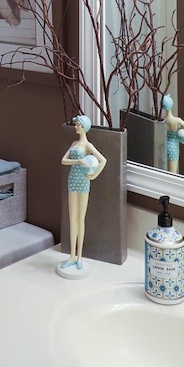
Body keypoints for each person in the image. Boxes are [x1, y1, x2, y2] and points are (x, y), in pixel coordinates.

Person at [59, 115, 107, 271]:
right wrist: (78, 162)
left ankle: (80, 256)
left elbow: (103, 160)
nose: (76, 127)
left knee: (80, 218)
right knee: (72, 218)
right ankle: (72, 255)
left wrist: (93, 175)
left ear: (84, 127)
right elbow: (63, 160)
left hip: (83, 182)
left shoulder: (88, 146)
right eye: (76, 125)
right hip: (72, 180)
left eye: (78, 125)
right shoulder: (74, 144)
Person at [163, 94, 184, 174]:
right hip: (173, 146)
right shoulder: (177, 120)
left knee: (164, 170)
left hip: (165, 145)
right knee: (172, 173)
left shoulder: (163, 120)